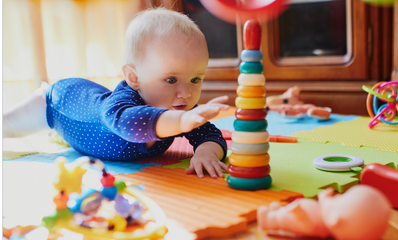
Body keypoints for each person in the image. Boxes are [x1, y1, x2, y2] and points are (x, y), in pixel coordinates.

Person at [3, 7, 230, 179]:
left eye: (195, 79)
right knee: (7, 126)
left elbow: (212, 135)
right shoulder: (122, 108)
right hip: (58, 102)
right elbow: (130, 124)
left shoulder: (180, 111)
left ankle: (55, 136)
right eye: (171, 79)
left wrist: (206, 152)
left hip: (93, 99)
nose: (186, 93)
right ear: (134, 78)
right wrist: (182, 121)